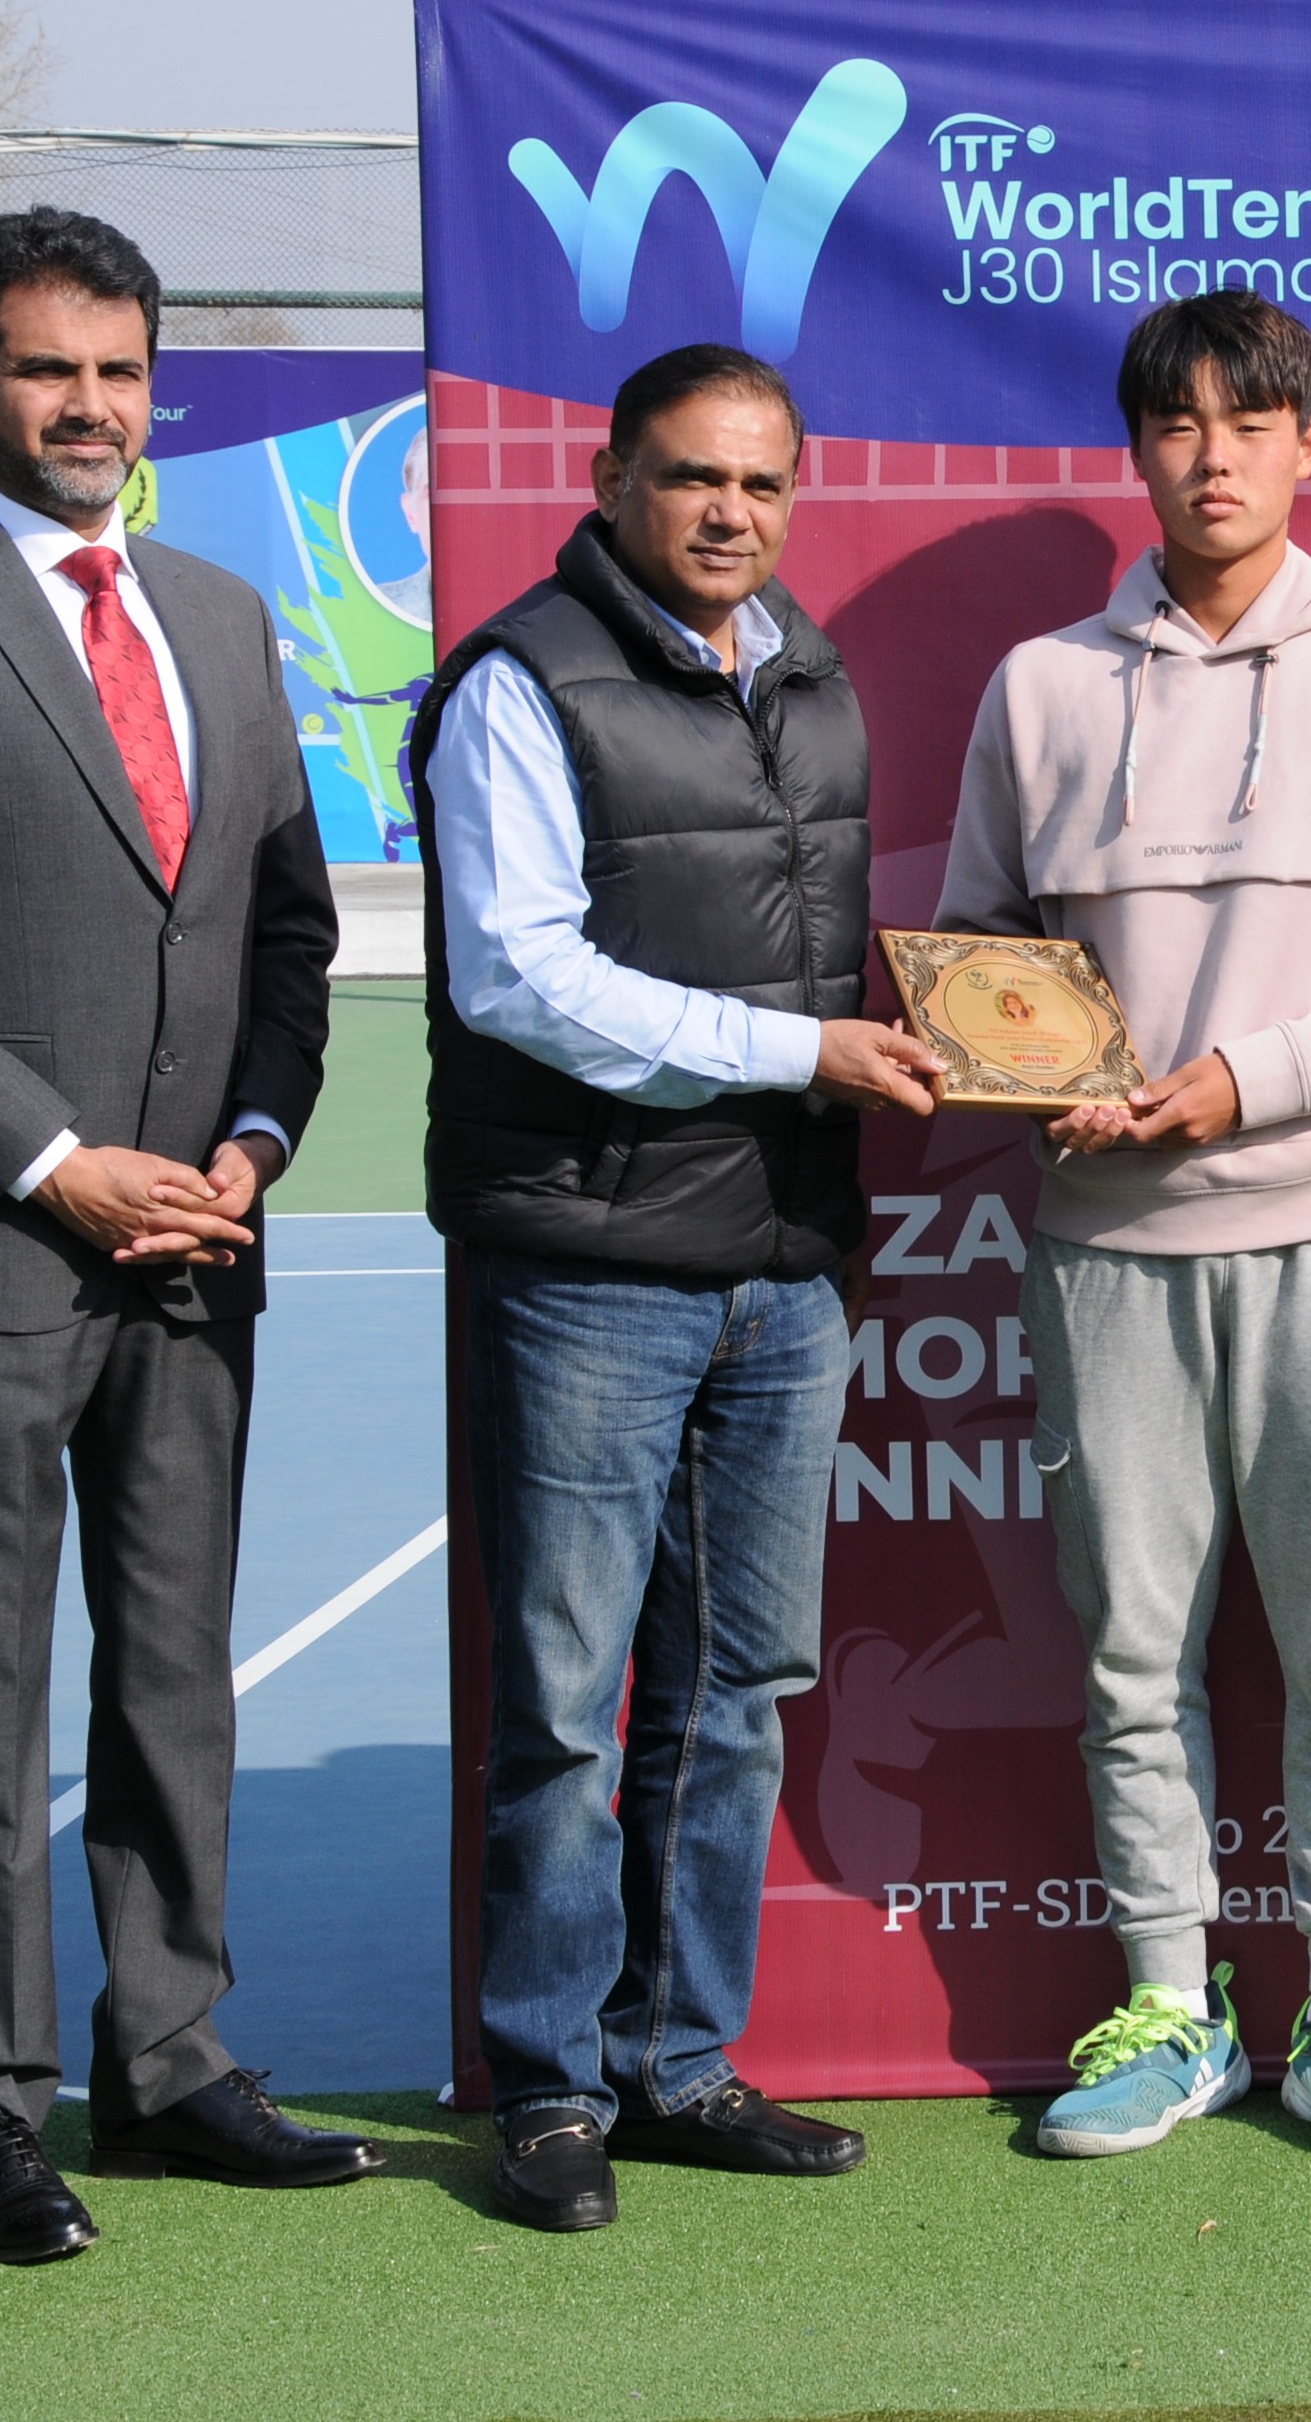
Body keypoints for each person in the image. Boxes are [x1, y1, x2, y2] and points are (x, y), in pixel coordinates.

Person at [0, 207, 377, 2263]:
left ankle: (171, 2056)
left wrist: (255, 1139)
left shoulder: (217, 610)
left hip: (201, 1246)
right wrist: (54, 1160)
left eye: (118, 368)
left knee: (175, 1671)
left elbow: (290, 928)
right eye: (46, 369)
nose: (90, 405)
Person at [933, 291, 1311, 2160]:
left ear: (1309, 442)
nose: (1215, 453)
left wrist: (1240, 1084)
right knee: (1125, 1652)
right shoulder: (1044, 687)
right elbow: (984, 966)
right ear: (1137, 452)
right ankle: (1172, 2004)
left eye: (1251, 421)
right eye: (1177, 424)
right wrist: (1042, 1072)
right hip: (1105, 1247)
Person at [407, 342, 946, 2232]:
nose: (732, 514)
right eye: (696, 479)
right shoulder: (516, 682)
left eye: (764, 486)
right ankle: (550, 2085)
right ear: (620, 482)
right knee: (568, 1697)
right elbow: (517, 976)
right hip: (589, 1261)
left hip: (784, 1263)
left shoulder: (806, 673)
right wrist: (803, 1060)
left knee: (736, 1689)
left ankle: (681, 2063)